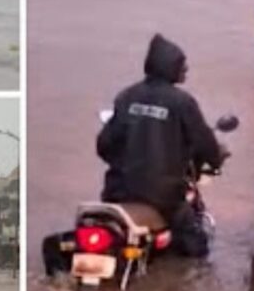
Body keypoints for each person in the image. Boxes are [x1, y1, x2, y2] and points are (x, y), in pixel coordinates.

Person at [96, 34, 226, 258]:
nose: (185, 71)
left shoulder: (127, 97)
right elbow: (204, 142)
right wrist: (216, 159)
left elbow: (104, 145)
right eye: (182, 66)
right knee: (196, 247)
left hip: (118, 192)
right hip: (163, 198)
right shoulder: (182, 102)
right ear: (172, 68)